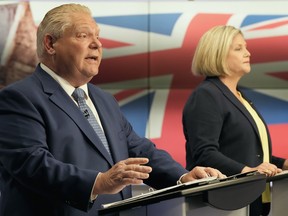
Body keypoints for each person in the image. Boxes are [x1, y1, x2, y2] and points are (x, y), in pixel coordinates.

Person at [0, 4, 225, 216]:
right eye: (83, 35)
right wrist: (98, 183)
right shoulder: (20, 98)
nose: (97, 44)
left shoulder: (103, 99)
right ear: (50, 44)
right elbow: (31, 164)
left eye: (97, 36)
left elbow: (139, 150)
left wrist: (184, 177)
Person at [182, 25, 288, 216]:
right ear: (218, 54)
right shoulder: (207, 95)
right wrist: (249, 171)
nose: (247, 53)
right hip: (224, 204)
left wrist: (283, 164)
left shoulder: (240, 96)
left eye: (246, 47)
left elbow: (247, 153)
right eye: (238, 48)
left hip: (253, 199)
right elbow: (205, 154)